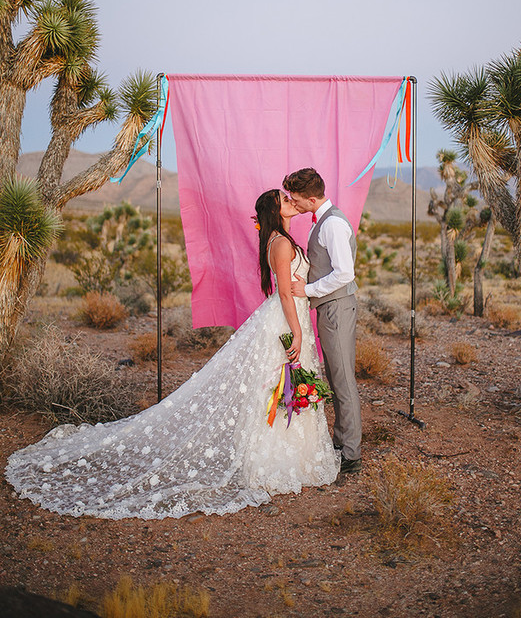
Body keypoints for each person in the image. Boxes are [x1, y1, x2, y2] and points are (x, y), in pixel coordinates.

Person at [5, 190, 339, 519]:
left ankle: (292, 455)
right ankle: (274, 460)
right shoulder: (280, 244)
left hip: (290, 315)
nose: (290, 201)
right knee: (276, 387)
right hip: (286, 319)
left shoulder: (281, 240)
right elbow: (284, 292)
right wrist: (296, 331)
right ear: (274, 211)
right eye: (284, 200)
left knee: (282, 386)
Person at [283, 168, 361, 474]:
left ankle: (351, 454)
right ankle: (342, 443)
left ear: (312, 199)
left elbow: (345, 273)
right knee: (336, 376)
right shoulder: (323, 220)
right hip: (330, 309)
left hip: (337, 309)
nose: (294, 203)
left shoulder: (333, 225)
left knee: (343, 381)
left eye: (296, 199)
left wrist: (308, 290)